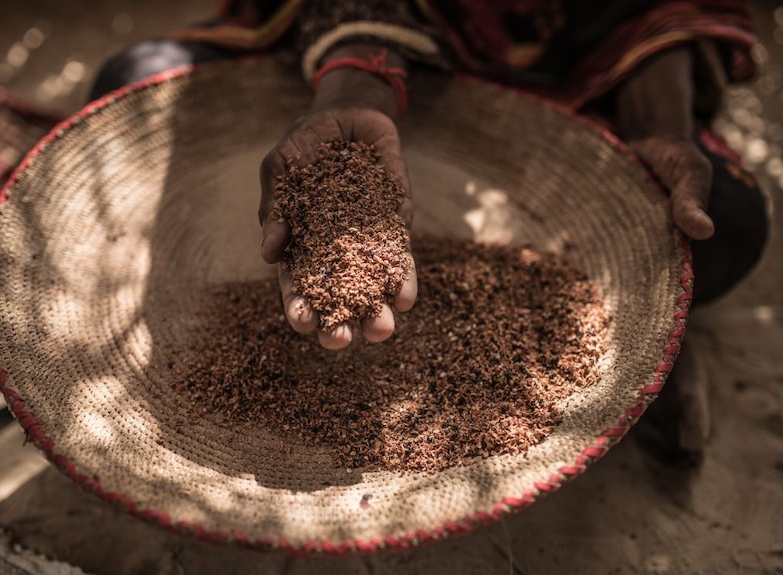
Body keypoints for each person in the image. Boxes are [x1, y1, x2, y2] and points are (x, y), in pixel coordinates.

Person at [90, 1, 769, 456]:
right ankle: (652, 309)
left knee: (728, 221)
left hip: (563, 75)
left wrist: (660, 131)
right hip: (372, 46)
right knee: (134, 84)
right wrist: (356, 88)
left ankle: (656, 317)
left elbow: (661, 10)